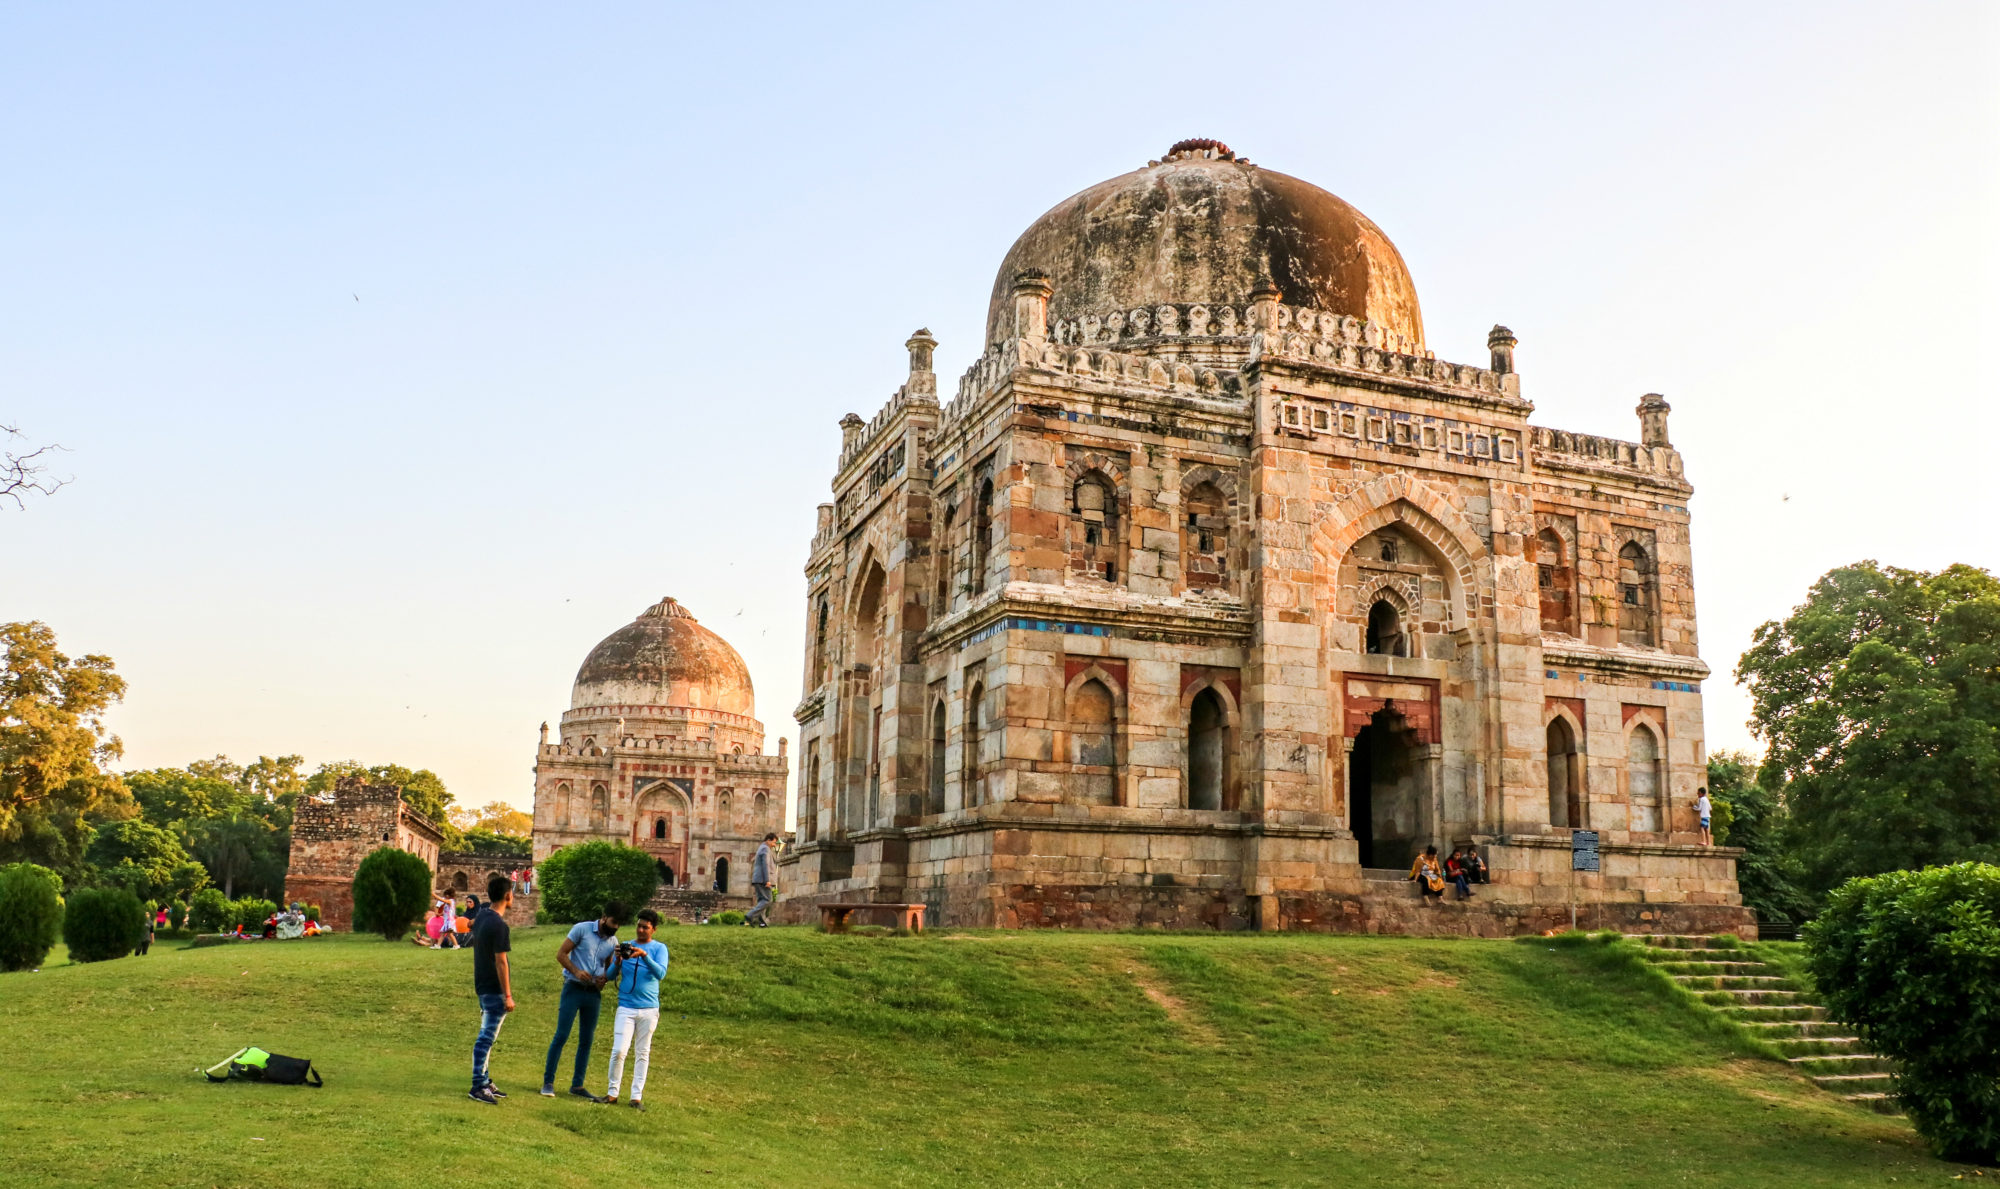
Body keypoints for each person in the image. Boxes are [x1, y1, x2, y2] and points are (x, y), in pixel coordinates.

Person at [542, 900, 626, 1099]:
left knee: (586, 1040)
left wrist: (605, 977)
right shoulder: (581, 929)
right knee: (561, 1035)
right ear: (604, 917)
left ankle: (577, 1085)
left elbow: (608, 970)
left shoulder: (613, 942)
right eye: (613, 922)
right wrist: (576, 971)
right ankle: (548, 1082)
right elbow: (561, 954)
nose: (615, 928)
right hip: (573, 988)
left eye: (618, 925)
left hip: (593, 994)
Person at [599, 909, 669, 1110]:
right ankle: (612, 1093)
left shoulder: (659, 949)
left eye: (645, 927)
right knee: (619, 1050)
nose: (640, 930)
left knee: (642, 1053)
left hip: (648, 1008)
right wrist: (618, 960)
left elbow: (660, 973)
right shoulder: (626, 946)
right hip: (626, 1006)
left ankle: (636, 1097)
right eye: (639, 925)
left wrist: (644, 955)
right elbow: (611, 976)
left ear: (653, 929)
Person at [468, 874, 515, 1105]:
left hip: (482, 984)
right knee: (486, 1037)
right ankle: (478, 1085)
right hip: (494, 988)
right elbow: (501, 962)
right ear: (508, 896)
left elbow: (471, 926)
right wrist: (507, 994)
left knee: (487, 1034)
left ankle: (485, 1080)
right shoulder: (499, 924)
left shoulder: (483, 915)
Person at [744, 832, 777, 927]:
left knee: (762, 901)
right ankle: (750, 915)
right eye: (774, 842)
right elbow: (765, 865)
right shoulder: (765, 849)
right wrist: (767, 880)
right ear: (768, 840)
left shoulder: (761, 848)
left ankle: (762, 922)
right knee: (768, 900)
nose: (774, 845)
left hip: (758, 879)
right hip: (763, 880)